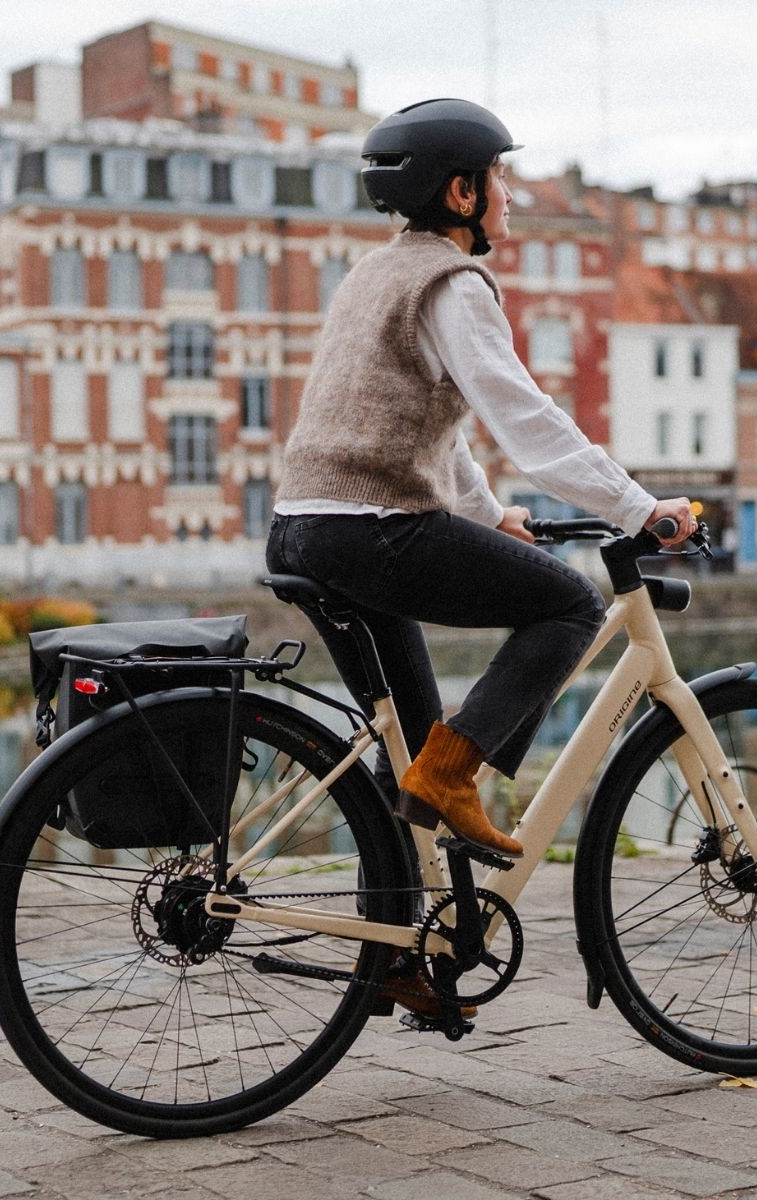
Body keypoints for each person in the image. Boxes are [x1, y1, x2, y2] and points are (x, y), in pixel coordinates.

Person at [267, 98, 694, 861]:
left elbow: (426, 418)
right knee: (569, 604)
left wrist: (488, 513)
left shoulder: (375, 273)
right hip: (374, 530)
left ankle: (403, 955)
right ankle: (457, 778)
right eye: (498, 177)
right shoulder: (453, 283)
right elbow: (525, 421)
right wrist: (638, 508)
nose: (508, 195)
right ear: (461, 194)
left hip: (304, 530)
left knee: (410, 756)